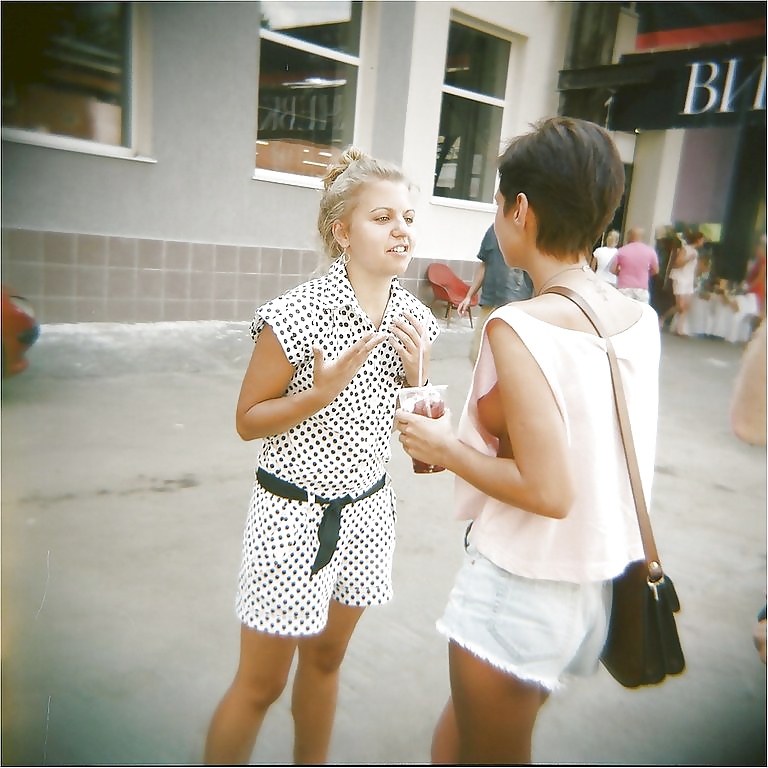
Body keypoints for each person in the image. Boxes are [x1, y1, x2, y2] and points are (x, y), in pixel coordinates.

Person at [395, 117, 660, 764]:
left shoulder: (519, 326)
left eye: (496, 201)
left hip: (520, 585)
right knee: (460, 738)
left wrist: (445, 449)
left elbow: (547, 489)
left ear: (520, 208)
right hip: (593, 587)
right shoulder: (639, 318)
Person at [204, 147, 440, 765]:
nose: (401, 231)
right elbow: (246, 420)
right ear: (342, 231)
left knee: (327, 661)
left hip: (365, 516)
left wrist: (416, 378)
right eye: (383, 218)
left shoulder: (413, 320)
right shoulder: (295, 316)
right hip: (291, 518)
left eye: (408, 218)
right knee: (261, 684)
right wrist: (318, 394)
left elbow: (424, 455)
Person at [457, 225, 533, 364]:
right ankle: (482, 385)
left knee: (507, 360)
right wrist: (469, 296)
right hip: (489, 305)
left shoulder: (531, 231)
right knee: (477, 355)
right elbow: (484, 265)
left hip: (517, 308)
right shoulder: (493, 230)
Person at [664, 231, 704, 335]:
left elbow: (693, 269)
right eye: (702, 240)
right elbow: (677, 263)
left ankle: (680, 329)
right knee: (680, 305)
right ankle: (663, 318)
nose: (703, 242)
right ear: (698, 240)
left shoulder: (695, 252)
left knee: (686, 306)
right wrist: (688, 259)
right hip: (680, 278)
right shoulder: (685, 249)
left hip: (688, 280)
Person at [609, 226, 659, 302]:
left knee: (622, 311)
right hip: (642, 289)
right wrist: (645, 274)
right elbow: (656, 270)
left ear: (629, 237)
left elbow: (612, 269)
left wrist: (621, 274)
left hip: (624, 287)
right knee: (641, 312)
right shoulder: (650, 251)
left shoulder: (621, 250)